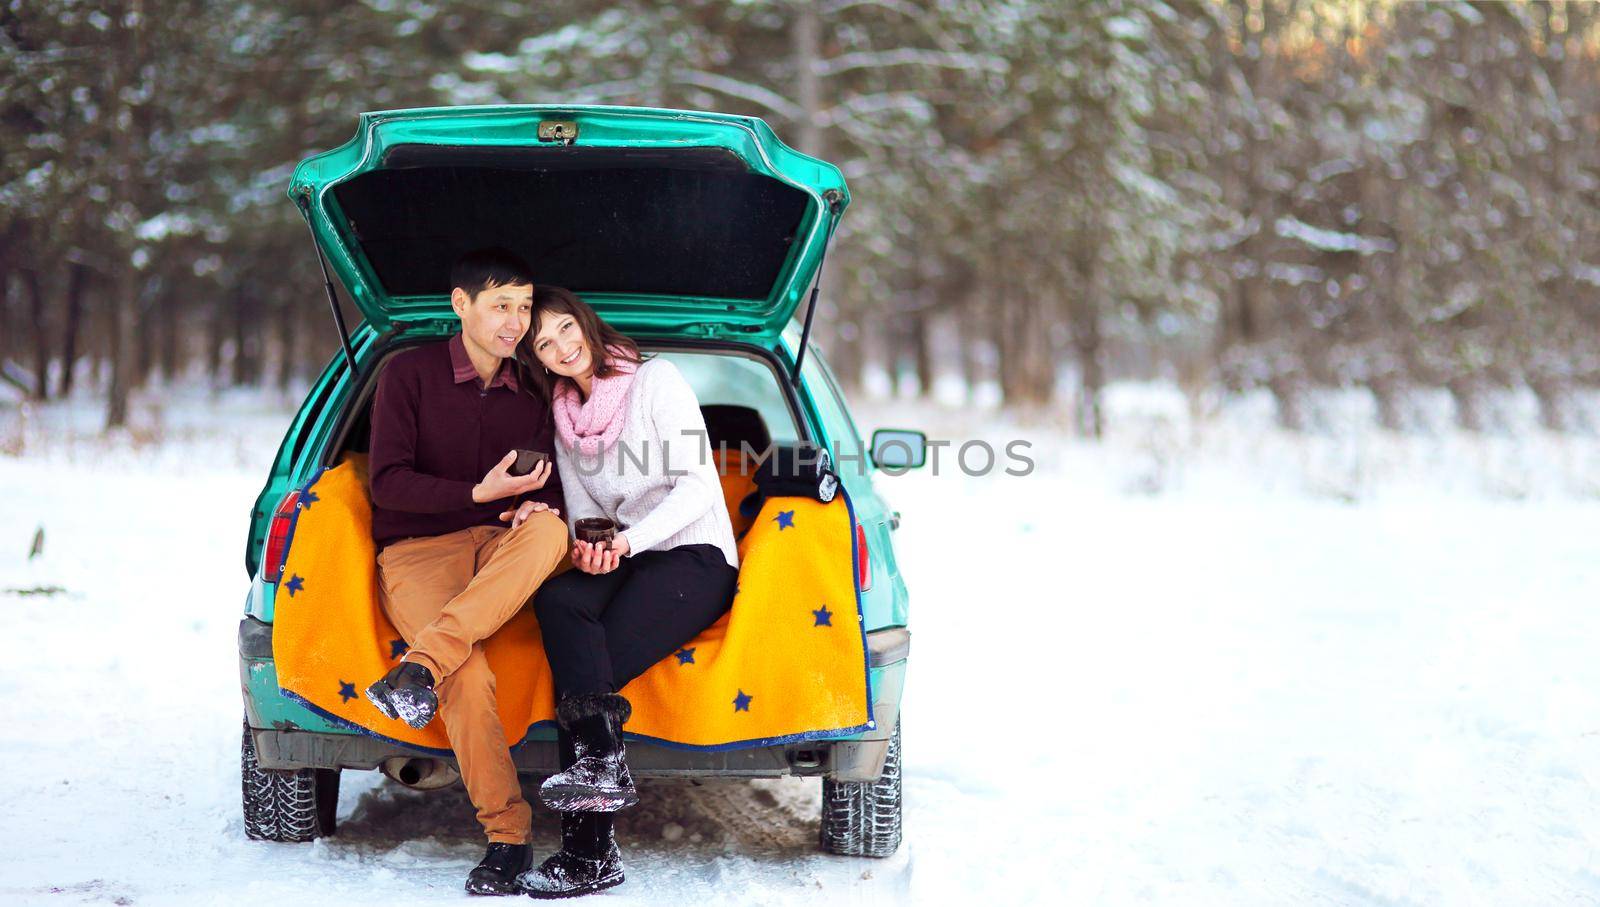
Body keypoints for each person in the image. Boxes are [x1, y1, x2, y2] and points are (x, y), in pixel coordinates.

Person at [499, 284, 740, 898]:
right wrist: (590, 547)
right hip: (627, 553)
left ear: (584, 321)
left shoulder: (656, 382)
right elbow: (584, 507)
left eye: (563, 329)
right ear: (536, 358)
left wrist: (629, 544)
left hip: (693, 553)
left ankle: (588, 854)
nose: (559, 347)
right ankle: (602, 768)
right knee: (561, 602)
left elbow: (698, 486)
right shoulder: (562, 413)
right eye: (543, 344)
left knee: (586, 661)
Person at [361, 248, 572, 896]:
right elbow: (387, 484)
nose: (516, 322)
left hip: (506, 547)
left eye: (524, 307)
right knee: (468, 673)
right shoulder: (408, 374)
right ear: (462, 304)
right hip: (420, 550)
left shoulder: (537, 386)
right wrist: (477, 494)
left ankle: (420, 664)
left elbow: (557, 483)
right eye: (500, 305)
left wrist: (540, 500)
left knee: (551, 527)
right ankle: (508, 838)